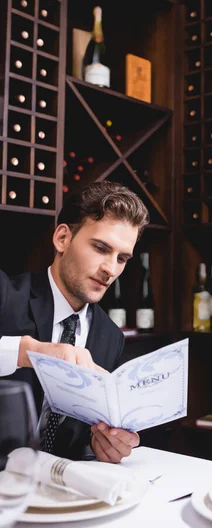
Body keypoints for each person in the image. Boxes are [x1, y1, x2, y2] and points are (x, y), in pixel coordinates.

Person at [0, 180, 149, 463]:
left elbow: (79, 439)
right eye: (101, 248)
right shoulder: (6, 295)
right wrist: (30, 352)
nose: (110, 269)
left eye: (122, 258)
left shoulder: (110, 337)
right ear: (62, 239)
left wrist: (101, 443)